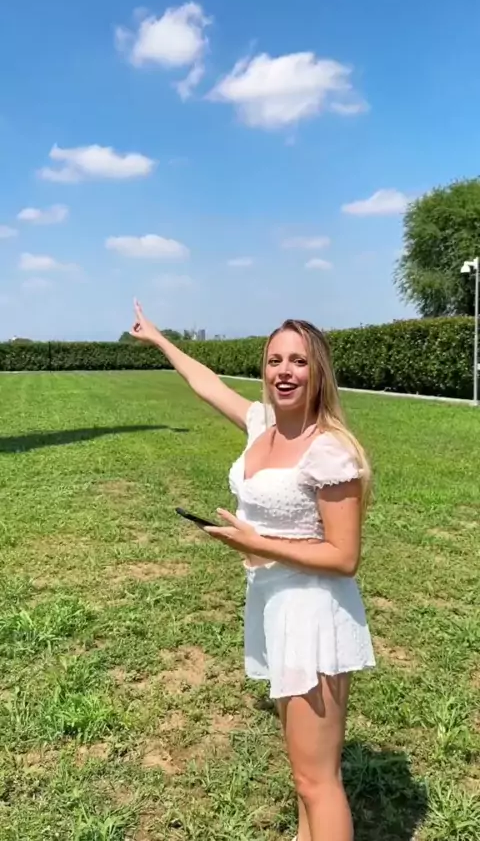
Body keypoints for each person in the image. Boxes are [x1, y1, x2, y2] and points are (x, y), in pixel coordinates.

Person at [130, 300, 375, 841]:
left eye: (299, 362)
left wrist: (256, 542)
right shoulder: (262, 424)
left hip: (312, 610)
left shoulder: (328, 451)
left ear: (318, 372)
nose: (284, 372)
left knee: (317, 781)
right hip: (271, 599)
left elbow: (344, 557)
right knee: (304, 777)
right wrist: (160, 340)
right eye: (274, 360)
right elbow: (206, 383)